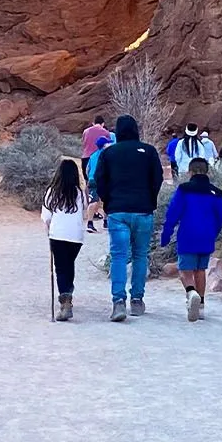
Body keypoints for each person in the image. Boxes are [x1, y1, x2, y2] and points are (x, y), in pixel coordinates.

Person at [92, 114, 164, 321]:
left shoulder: (109, 153)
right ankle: (137, 300)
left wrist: (108, 201)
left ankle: (118, 302)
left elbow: (99, 179)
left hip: (118, 211)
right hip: (143, 210)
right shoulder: (148, 151)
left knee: (119, 256)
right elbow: (157, 178)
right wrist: (150, 199)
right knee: (141, 255)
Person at [160, 157, 222, 322]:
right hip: (207, 236)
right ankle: (202, 306)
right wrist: (214, 232)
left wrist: (166, 233)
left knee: (185, 270)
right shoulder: (216, 192)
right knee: (200, 270)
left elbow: (173, 212)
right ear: (208, 172)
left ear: (190, 172)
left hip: (188, 234)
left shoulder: (184, 189)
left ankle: (191, 293)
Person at [41, 157, 87, 321]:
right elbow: (84, 213)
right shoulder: (80, 193)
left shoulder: (51, 192)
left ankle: (65, 300)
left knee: (60, 267)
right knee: (69, 265)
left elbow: (46, 217)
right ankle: (68, 292)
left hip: (57, 235)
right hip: (76, 236)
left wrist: (48, 231)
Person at [83, 134, 112, 232]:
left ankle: (90, 223)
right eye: (108, 143)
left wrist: (89, 178)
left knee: (94, 201)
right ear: (104, 145)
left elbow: (87, 169)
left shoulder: (93, 155)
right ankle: (106, 221)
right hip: (103, 180)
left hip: (92, 180)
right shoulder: (107, 155)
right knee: (106, 200)